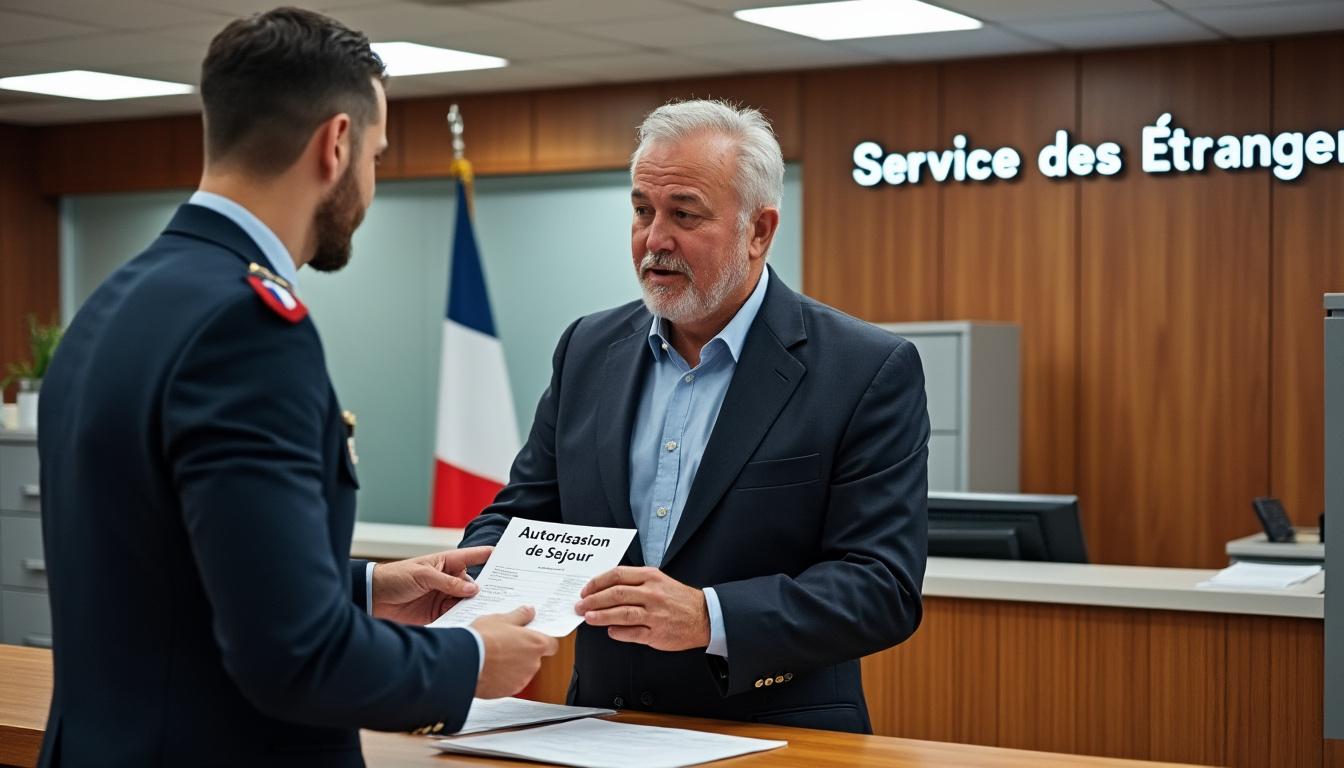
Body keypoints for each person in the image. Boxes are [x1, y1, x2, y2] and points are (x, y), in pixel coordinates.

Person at [36, 8, 555, 766]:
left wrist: (369, 589)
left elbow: (175, 578)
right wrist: (470, 663)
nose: (370, 185)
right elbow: (293, 654)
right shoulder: (244, 327)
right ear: (336, 144)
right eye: (375, 155)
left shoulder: (115, 301)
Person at [459, 99, 929, 733]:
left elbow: (881, 589)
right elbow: (527, 511)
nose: (655, 240)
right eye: (642, 211)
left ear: (759, 230)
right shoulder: (588, 349)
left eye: (684, 214)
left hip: (777, 732)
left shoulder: (866, 368)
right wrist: (469, 578)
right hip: (600, 729)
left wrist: (711, 616)